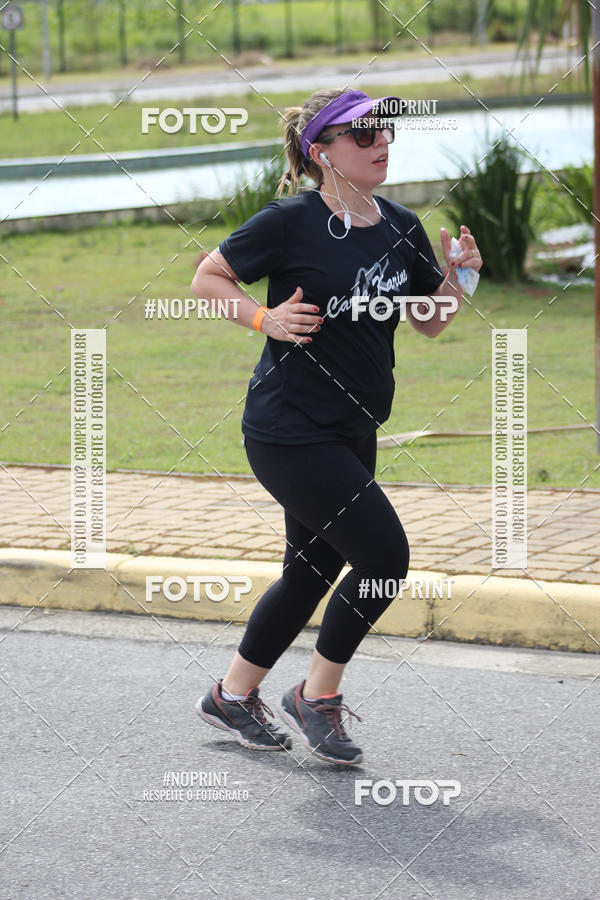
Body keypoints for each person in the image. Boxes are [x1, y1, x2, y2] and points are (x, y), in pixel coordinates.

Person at [190, 87, 483, 766]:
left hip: (353, 426)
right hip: (289, 429)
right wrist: (263, 318)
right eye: (363, 134)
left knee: (311, 571)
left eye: (385, 131)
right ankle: (316, 696)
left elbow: (429, 321)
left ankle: (231, 695)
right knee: (384, 558)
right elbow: (209, 278)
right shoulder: (289, 221)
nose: (382, 142)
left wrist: (460, 281)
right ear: (322, 152)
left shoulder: (400, 225)